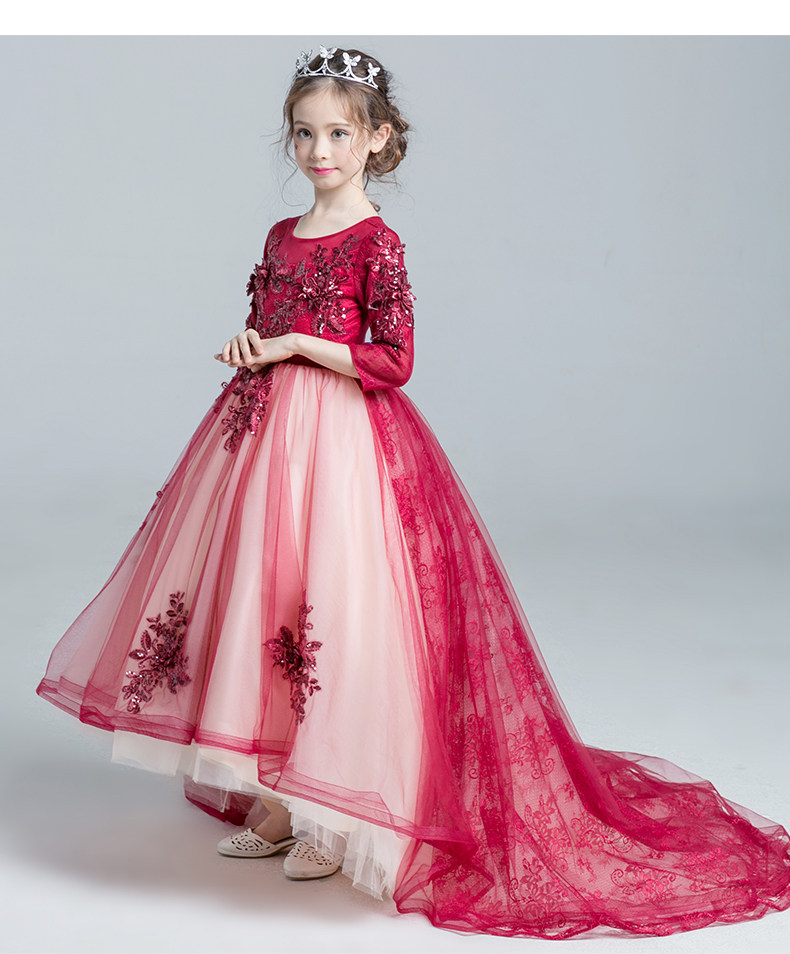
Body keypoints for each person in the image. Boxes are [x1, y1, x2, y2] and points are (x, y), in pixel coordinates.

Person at [36, 45, 790, 939]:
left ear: (378, 139)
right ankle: (276, 798)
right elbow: (267, 323)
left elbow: (394, 361)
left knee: (334, 607)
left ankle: (331, 813)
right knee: (263, 599)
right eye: (304, 134)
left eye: (338, 134)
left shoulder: (377, 242)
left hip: (343, 445)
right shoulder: (281, 235)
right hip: (265, 441)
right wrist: (253, 346)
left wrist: (296, 347)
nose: (319, 150)